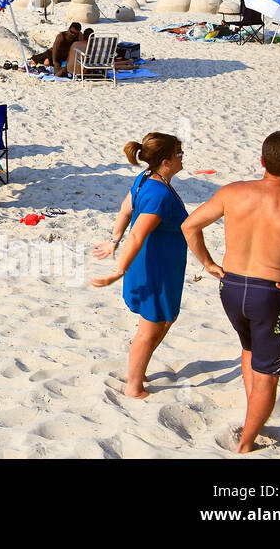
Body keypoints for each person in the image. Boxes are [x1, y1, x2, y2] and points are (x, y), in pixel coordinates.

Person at [180, 132, 280, 453]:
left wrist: (207, 262)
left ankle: (252, 416)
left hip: (231, 287)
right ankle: (246, 443)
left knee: (249, 348)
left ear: (261, 161)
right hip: (270, 294)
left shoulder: (233, 192)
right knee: (268, 376)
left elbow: (189, 226)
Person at [90, 133, 188, 398]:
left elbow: (125, 210)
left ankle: (138, 368)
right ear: (166, 161)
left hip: (160, 265)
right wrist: (118, 270)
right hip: (154, 267)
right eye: (179, 153)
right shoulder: (158, 195)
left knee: (166, 318)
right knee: (151, 326)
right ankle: (134, 385)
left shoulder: (146, 178)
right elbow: (138, 234)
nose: (183, 157)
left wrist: (113, 240)